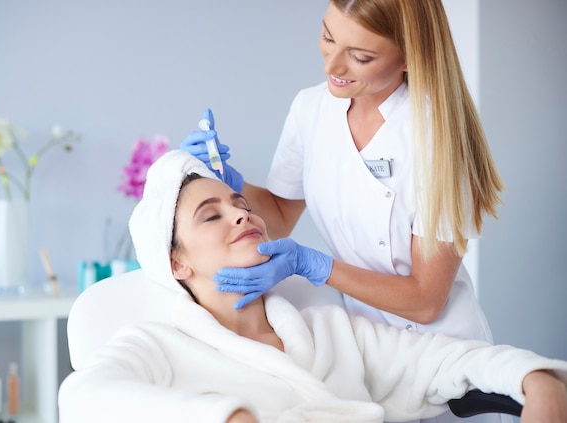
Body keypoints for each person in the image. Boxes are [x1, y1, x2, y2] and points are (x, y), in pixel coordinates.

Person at [57, 151, 567, 423]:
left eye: (240, 202)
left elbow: (441, 360)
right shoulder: (158, 346)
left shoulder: (327, 329)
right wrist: (223, 417)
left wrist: (536, 380)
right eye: (211, 215)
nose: (240, 211)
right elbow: (84, 397)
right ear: (176, 262)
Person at [182, 0, 500, 375]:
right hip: (365, 350)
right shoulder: (311, 109)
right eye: (328, 38)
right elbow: (280, 215)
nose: (331, 66)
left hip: (444, 356)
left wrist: (313, 265)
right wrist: (231, 179)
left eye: (360, 56)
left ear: (409, 58)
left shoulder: (435, 137)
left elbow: (426, 301)